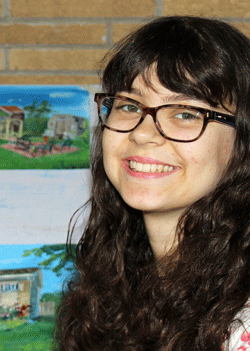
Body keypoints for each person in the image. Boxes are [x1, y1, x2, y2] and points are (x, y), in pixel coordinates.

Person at [56, 16, 250, 351]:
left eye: (186, 112)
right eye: (130, 105)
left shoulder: (241, 323)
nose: (143, 133)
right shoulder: (111, 283)